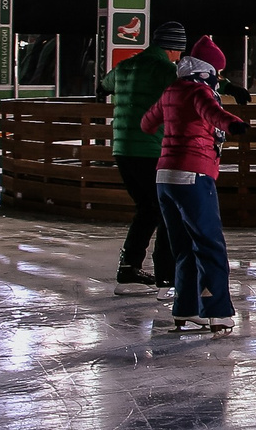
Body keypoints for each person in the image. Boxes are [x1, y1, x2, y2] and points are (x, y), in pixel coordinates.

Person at [138, 36, 246, 334]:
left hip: (164, 178)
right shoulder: (200, 91)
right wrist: (233, 124)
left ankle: (186, 308)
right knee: (210, 244)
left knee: (183, 246)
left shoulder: (172, 89)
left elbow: (147, 123)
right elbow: (213, 113)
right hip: (193, 175)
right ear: (209, 69)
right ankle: (217, 310)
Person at [98, 19, 186, 297]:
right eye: (179, 51)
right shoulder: (165, 69)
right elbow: (194, 85)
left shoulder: (126, 66)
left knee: (147, 209)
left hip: (123, 150)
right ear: (172, 49)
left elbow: (104, 85)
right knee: (164, 211)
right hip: (150, 150)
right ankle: (167, 278)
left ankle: (128, 270)